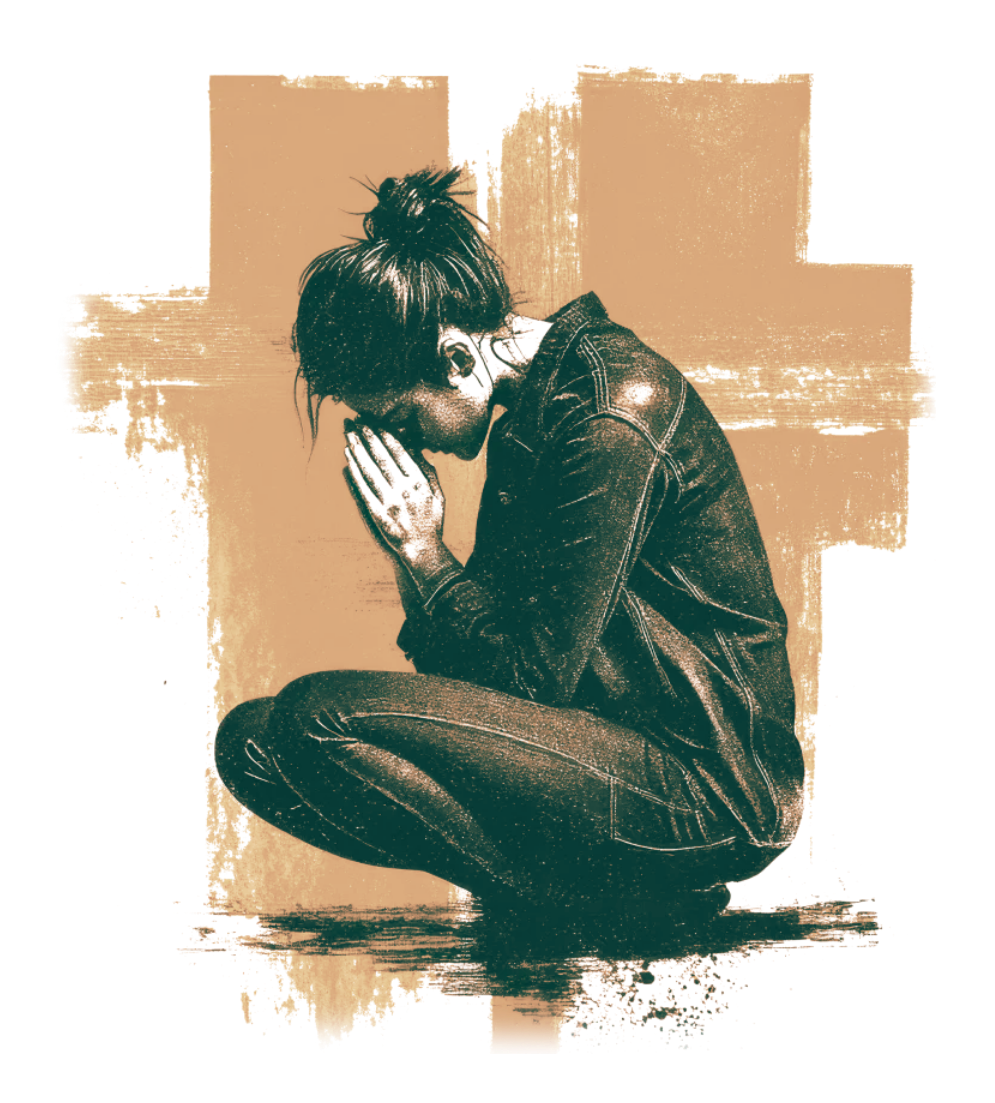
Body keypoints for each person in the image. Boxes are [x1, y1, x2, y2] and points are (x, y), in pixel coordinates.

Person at [215, 165, 806, 923]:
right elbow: (480, 686)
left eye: (401, 415)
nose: (405, 440)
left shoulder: (608, 420)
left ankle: (554, 902)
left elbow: (530, 684)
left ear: (457, 358)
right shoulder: (530, 419)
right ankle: (607, 895)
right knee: (251, 740)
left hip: (710, 785)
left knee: (314, 716)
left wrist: (428, 555)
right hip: (598, 753)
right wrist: (409, 555)